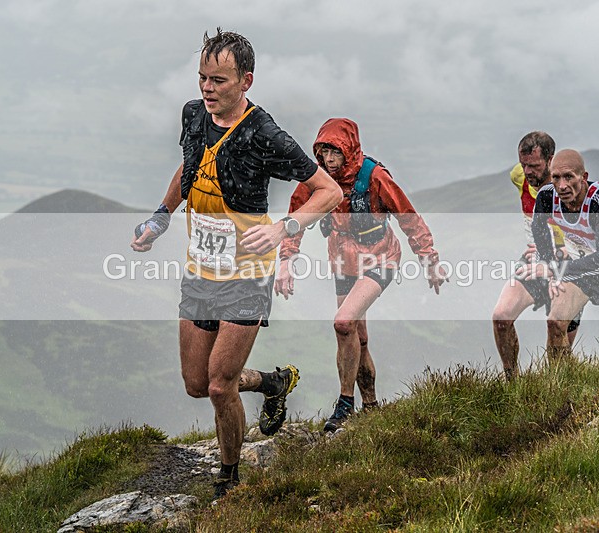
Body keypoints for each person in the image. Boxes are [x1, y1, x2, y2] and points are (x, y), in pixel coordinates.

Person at [130, 29, 342, 498]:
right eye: (202, 78)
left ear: (245, 81)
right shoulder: (193, 115)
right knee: (196, 383)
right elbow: (188, 169)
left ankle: (228, 478)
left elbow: (330, 191)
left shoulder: (264, 134)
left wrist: (285, 227)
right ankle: (271, 382)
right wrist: (161, 217)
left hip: (247, 273)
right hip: (201, 270)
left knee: (220, 386)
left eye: (218, 80)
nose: (207, 88)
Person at [275, 118, 447, 432]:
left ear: (349, 149)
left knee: (343, 322)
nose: (328, 160)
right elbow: (296, 216)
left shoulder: (374, 177)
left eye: (335, 152)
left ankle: (344, 405)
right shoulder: (318, 179)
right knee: (358, 339)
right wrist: (286, 261)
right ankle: (370, 407)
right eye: (323, 152)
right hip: (343, 259)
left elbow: (408, 217)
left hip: (380, 256)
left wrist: (429, 259)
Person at [519, 149, 599, 361]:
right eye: (556, 178)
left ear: (583, 177)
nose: (562, 186)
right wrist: (549, 262)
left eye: (569, 177)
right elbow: (539, 230)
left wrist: (555, 269)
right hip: (580, 264)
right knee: (555, 323)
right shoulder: (547, 197)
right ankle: (560, 385)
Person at [492, 132, 583, 380]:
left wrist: (562, 251)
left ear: (551, 160)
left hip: (569, 266)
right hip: (535, 261)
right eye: (524, 165)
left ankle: (556, 390)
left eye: (534, 166)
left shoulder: (569, 191)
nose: (528, 171)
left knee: (558, 332)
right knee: (501, 317)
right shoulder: (518, 177)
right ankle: (512, 383)